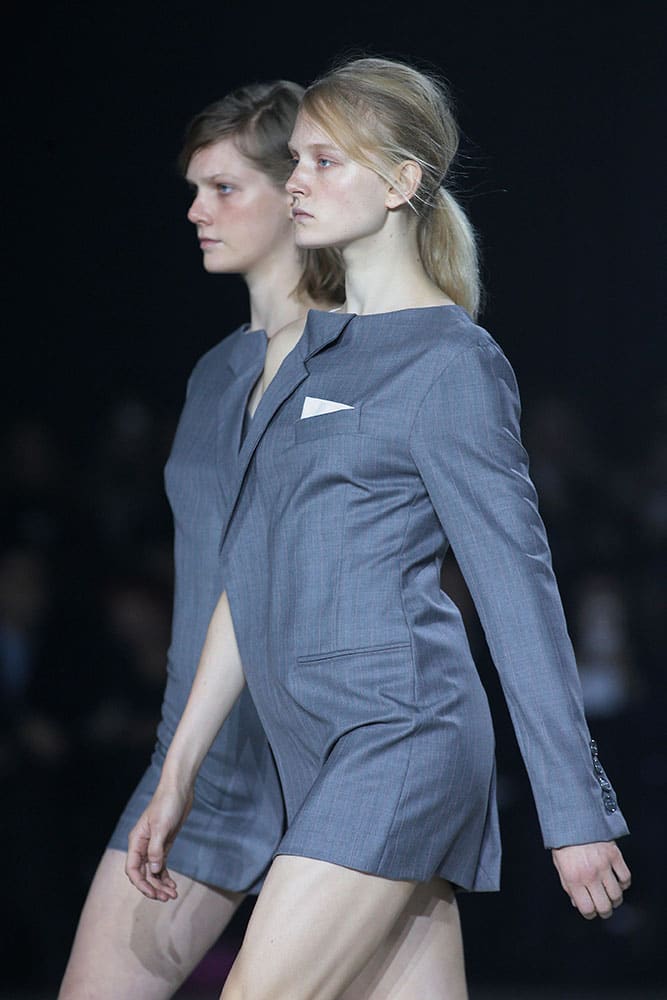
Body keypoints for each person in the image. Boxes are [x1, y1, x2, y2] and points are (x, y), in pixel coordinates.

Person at [126, 56, 632, 999]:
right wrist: (178, 772)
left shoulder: (449, 361)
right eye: (296, 161)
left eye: (325, 162)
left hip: (399, 736)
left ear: (403, 183)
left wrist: (573, 812)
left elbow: (516, 591)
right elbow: (251, 574)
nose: (297, 182)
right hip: (307, 749)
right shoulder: (301, 356)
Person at [58, 80, 345, 998]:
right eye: (194, 188)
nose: (194, 210)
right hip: (201, 758)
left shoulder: (354, 358)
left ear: (293, 192)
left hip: (333, 760)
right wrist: (178, 752)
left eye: (223, 189)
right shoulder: (216, 371)